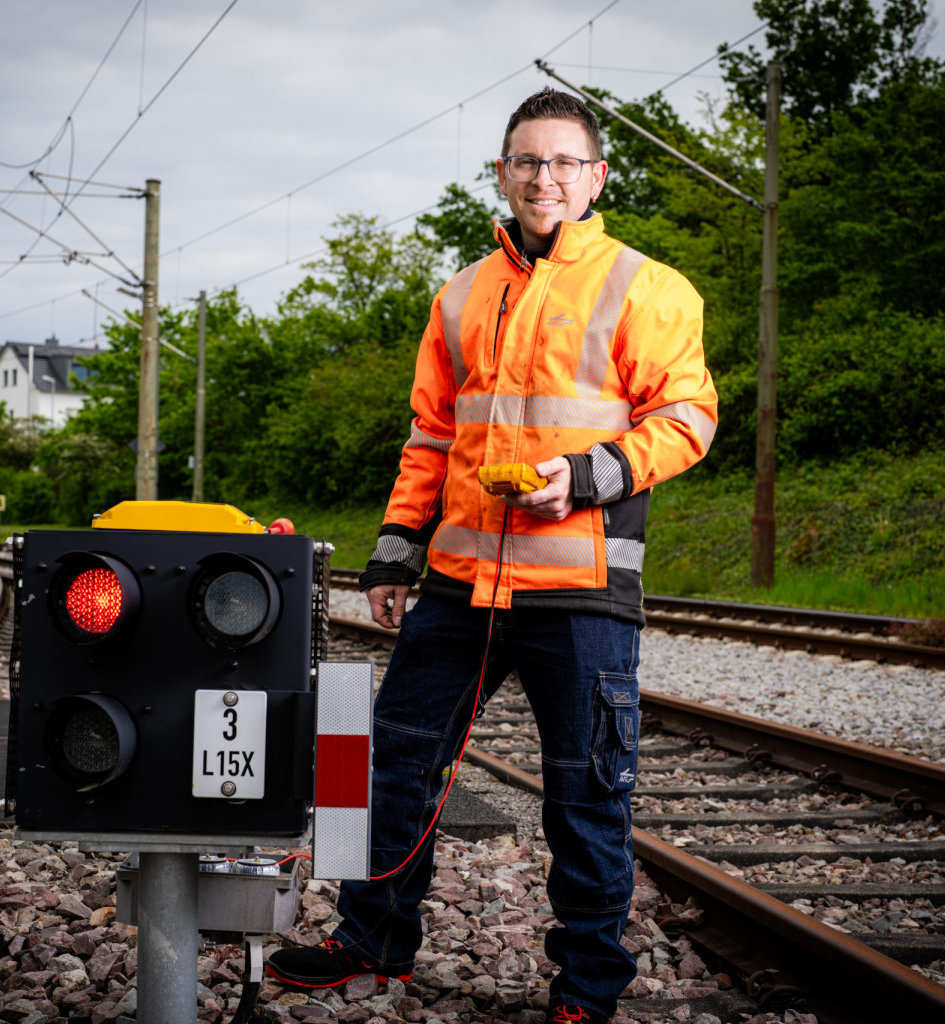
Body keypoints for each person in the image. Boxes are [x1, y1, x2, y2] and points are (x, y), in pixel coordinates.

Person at [266, 87, 718, 1024]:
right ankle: (370, 947)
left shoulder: (650, 287)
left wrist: (586, 477)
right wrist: (395, 554)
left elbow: (686, 418)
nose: (543, 177)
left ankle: (587, 993)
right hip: (459, 585)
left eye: (562, 162)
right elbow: (432, 435)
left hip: (583, 587)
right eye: (525, 161)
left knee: (585, 799)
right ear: (503, 175)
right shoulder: (463, 293)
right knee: (388, 765)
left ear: (596, 177)